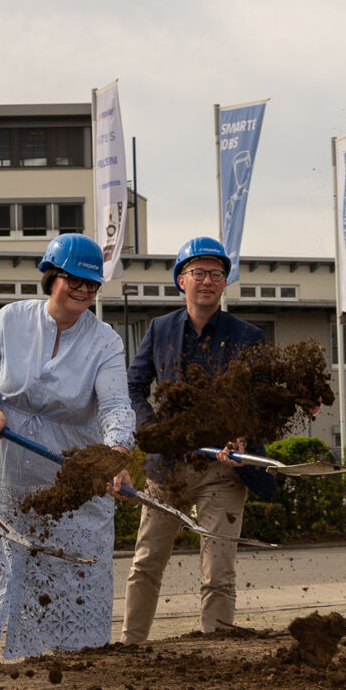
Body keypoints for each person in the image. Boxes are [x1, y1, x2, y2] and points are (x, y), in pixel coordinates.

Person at [0, 233, 135, 665]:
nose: (83, 291)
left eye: (91, 284)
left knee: (68, 563)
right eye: (74, 281)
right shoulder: (11, 318)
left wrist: (117, 455)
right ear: (51, 278)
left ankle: (68, 658)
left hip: (62, 474)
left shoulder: (106, 341)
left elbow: (116, 406)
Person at [121, 235, 281, 642]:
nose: (207, 280)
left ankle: (218, 646)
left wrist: (244, 437)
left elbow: (262, 402)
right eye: (197, 273)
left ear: (225, 282)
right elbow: (134, 386)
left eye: (215, 273)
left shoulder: (248, 337)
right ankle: (131, 645)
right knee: (146, 562)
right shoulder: (159, 329)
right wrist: (154, 429)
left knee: (218, 569)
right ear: (181, 280)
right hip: (168, 468)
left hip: (222, 470)